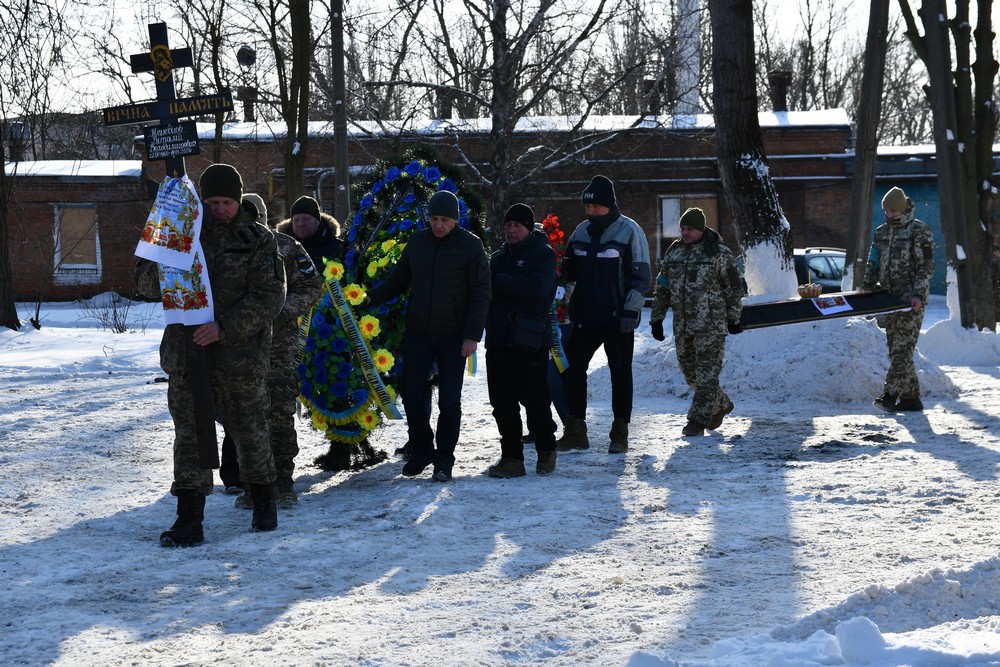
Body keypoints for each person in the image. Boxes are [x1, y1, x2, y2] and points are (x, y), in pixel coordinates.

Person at [135, 164, 287, 547]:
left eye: (227, 202)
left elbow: (270, 297)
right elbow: (144, 284)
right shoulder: (181, 231)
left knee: (250, 431)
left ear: (239, 199)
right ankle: (189, 518)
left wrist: (224, 327)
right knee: (190, 436)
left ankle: (263, 500)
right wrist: (164, 245)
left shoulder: (258, 239)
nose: (220, 209)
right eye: (212, 202)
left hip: (240, 358)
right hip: (188, 356)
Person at [363, 190, 491, 482]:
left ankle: (444, 459)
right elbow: (398, 280)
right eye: (434, 219)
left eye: (444, 219)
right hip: (419, 332)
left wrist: (471, 335)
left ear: (455, 219)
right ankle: (422, 449)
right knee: (411, 393)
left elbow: (481, 292)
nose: (438, 225)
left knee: (449, 401)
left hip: (454, 335)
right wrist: (370, 297)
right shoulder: (417, 243)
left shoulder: (471, 246)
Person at [222, 193, 324, 509]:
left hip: (278, 349)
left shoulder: (287, 247)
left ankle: (283, 483)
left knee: (279, 417)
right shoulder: (226, 248)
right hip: (239, 350)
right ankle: (254, 487)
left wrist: (279, 313)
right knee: (246, 421)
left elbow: (311, 286)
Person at [556, 175, 651, 454]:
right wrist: (561, 300)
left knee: (620, 375)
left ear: (609, 205)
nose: (591, 211)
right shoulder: (580, 232)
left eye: (596, 206)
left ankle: (620, 432)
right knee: (571, 370)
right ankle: (576, 430)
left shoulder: (630, 231)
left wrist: (630, 310)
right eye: (588, 207)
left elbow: (640, 278)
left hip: (617, 318)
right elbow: (568, 273)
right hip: (585, 317)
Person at [649, 207, 745, 437]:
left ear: (701, 229)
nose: (685, 233)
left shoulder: (718, 253)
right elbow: (662, 287)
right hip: (683, 327)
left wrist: (733, 318)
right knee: (690, 373)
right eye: (682, 228)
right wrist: (657, 319)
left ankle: (696, 421)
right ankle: (721, 404)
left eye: (690, 229)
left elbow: (734, 289)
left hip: (711, 326)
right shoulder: (674, 253)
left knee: (706, 376)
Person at [485, 203, 559, 478]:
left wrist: (499, 281)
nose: (511, 230)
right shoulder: (497, 257)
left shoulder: (543, 254)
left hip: (529, 341)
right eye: (508, 225)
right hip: (498, 339)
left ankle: (546, 448)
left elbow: (536, 289)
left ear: (528, 227)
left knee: (535, 399)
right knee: (502, 402)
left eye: (517, 225)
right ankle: (512, 458)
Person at [861, 186, 935, 412]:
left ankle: (890, 395)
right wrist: (867, 288)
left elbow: (926, 266)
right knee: (896, 349)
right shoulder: (882, 232)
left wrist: (918, 294)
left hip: (910, 301)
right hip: (889, 299)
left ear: (903, 209)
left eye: (893, 211)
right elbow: (873, 261)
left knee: (902, 350)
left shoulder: (919, 231)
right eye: (886, 211)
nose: (889, 214)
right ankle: (911, 398)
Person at [276, 195, 345, 273]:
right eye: (296, 220)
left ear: (317, 221)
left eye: (306, 219)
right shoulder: (279, 248)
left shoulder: (338, 248)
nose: (301, 224)